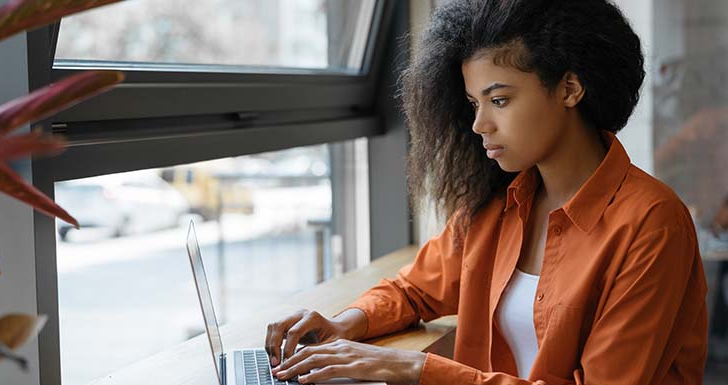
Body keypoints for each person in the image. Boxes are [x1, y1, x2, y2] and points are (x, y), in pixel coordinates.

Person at [265, 0, 708, 384]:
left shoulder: (652, 223)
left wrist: (410, 368)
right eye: (474, 103)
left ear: (570, 89)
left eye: (499, 100)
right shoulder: (499, 205)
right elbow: (414, 289)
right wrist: (344, 324)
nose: (479, 125)